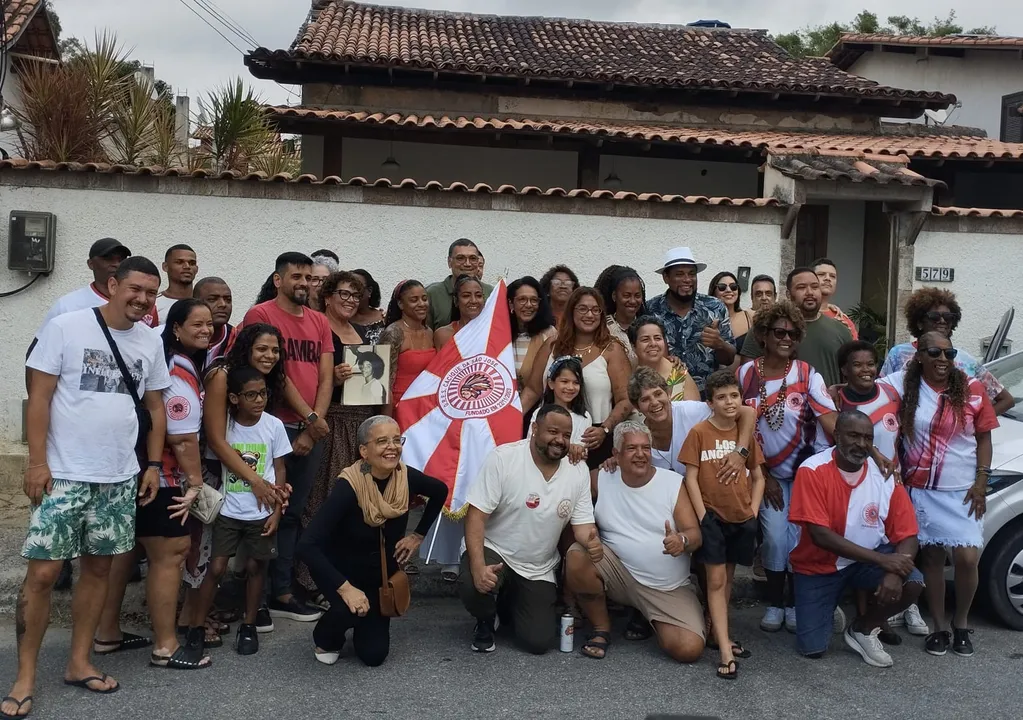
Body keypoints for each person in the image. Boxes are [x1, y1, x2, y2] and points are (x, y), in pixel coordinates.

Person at [6, 256, 171, 718]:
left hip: (119, 477)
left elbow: (156, 408)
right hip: (63, 473)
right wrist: (36, 462)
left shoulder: (148, 341)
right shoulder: (67, 325)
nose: (142, 299)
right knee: (41, 576)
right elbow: (39, 396)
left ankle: (79, 662)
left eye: (150, 293)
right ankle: (24, 677)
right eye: (135, 288)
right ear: (112, 284)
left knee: (98, 571)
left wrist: (153, 464)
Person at [97, 299, 213, 671]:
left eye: (210, 324)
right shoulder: (177, 368)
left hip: (132, 469)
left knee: (127, 552)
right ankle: (166, 645)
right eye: (197, 323)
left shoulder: (167, 359)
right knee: (171, 553)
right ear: (175, 328)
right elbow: (181, 438)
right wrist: (194, 483)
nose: (206, 330)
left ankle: (107, 632)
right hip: (161, 476)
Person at [881, 331, 999, 657]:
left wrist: (981, 482)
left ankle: (960, 622)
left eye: (949, 353)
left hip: (963, 490)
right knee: (932, 558)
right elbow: (870, 391)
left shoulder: (972, 389)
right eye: (935, 353)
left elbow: (984, 439)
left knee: (967, 557)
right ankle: (939, 628)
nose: (943, 360)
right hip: (922, 489)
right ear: (919, 355)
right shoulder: (907, 385)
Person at [296, 417, 447, 666]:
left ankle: (358, 619)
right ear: (364, 451)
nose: (392, 447)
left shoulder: (405, 478)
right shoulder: (349, 486)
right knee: (346, 610)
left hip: (378, 575)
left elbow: (440, 490)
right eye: (382, 441)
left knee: (374, 655)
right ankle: (326, 636)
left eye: (397, 440)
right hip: (339, 570)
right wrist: (346, 589)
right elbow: (307, 545)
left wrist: (417, 535)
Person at [235, 251, 333, 622]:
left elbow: (324, 377)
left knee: (292, 513)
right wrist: (310, 419)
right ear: (278, 280)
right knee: (262, 510)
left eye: (309, 278)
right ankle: (252, 599)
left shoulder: (319, 321)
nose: (304, 284)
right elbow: (275, 373)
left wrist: (314, 423)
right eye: (296, 277)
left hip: (310, 428)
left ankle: (283, 592)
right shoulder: (260, 315)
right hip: (271, 426)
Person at [459, 405, 600, 654]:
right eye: (553, 431)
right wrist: (478, 565)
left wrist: (592, 542)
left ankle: (508, 604)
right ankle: (484, 618)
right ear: (534, 429)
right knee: (476, 585)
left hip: (538, 567)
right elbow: (475, 517)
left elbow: (582, 526)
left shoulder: (578, 470)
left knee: (537, 642)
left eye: (567, 435)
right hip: (496, 550)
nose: (560, 440)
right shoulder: (504, 458)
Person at [789, 411, 925, 667]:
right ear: (837, 435)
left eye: (867, 438)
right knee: (812, 649)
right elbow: (820, 536)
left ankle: (864, 628)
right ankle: (829, 607)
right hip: (819, 566)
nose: (861, 444)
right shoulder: (812, 470)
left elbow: (908, 534)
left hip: (864, 561)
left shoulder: (885, 475)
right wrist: (884, 562)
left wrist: (895, 572)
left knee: (913, 581)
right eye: (853, 435)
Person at [736, 301, 838, 634]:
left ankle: (793, 604)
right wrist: (763, 475)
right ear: (763, 334)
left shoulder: (807, 374)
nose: (786, 338)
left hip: (807, 474)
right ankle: (775, 603)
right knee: (776, 541)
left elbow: (830, 421)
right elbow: (740, 428)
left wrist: (867, 452)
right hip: (767, 475)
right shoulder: (746, 373)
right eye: (779, 332)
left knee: (799, 539)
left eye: (793, 334)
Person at [567, 421, 705, 663]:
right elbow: (564, 490)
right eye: (631, 448)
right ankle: (601, 629)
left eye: (646, 448)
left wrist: (681, 541)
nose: (641, 454)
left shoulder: (671, 482)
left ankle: (647, 616)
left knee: (688, 649)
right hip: (619, 575)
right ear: (616, 454)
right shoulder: (601, 478)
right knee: (578, 555)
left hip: (667, 587)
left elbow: (695, 534)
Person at [193, 366, 290, 656]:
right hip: (229, 512)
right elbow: (215, 460)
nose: (259, 400)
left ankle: (249, 626)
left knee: (255, 566)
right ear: (234, 398)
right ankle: (196, 628)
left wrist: (276, 511)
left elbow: (280, 470)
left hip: (262, 514)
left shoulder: (273, 425)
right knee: (217, 567)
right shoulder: (225, 429)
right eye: (251, 395)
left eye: (263, 393)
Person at [835, 340, 928, 641]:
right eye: (857, 365)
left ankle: (879, 615)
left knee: (890, 542)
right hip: (855, 481)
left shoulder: (891, 392)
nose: (866, 370)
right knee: (864, 540)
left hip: (892, 482)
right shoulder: (838, 399)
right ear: (845, 370)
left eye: (870, 363)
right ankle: (864, 615)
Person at [297, 271, 377, 605]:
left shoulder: (361, 333)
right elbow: (307, 377)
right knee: (324, 500)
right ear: (327, 296)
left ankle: (345, 575)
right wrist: (335, 377)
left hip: (359, 423)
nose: (349, 300)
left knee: (354, 504)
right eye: (342, 294)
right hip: (330, 423)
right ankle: (312, 579)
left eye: (355, 295)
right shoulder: (317, 328)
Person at [679, 369, 766, 678]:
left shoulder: (745, 435)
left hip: (741, 518)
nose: (729, 402)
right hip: (713, 517)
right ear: (710, 402)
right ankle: (725, 650)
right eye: (721, 397)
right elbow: (690, 475)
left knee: (727, 582)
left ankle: (720, 633)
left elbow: (758, 476)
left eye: (734, 395)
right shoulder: (700, 432)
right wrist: (703, 515)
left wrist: (753, 511)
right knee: (714, 581)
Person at [524, 288, 632, 468]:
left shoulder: (612, 350)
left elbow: (626, 399)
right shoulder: (551, 345)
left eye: (595, 310)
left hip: (594, 437)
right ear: (571, 311)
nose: (589, 315)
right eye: (582, 309)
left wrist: (604, 429)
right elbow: (533, 390)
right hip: (549, 435)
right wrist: (507, 418)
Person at [880, 287, 1013, 414]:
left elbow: (1006, 400)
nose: (942, 321)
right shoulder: (898, 354)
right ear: (919, 322)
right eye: (934, 317)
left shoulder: (964, 360)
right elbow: (881, 395)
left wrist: (974, 427)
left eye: (948, 317)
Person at [627, 366, 754, 478]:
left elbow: (748, 413)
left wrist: (740, 452)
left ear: (669, 393)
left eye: (658, 394)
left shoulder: (690, 411)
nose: (654, 402)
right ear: (637, 406)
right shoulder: (639, 435)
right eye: (645, 399)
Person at [740, 267, 853, 388]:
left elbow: (850, 377)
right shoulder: (765, 328)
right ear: (788, 294)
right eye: (801, 287)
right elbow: (747, 377)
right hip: (775, 403)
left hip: (827, 405)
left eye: (815, 287)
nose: (809, 292)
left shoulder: (842, 331)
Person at [646, 247, 735, 393]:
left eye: (692, 274)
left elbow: (730, 358)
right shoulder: (650, 310)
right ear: (666, 278)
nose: (687, 279)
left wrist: (719, 344)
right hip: (664, 398)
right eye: (679, 274)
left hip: (707, 399)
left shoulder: (715, 307)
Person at [34, 237, 158, 337]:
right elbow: (38, 355)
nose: (116, 264)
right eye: (108, 259)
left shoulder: (143, 305)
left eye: (121, 259)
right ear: (90, 264)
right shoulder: (68, 305)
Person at [381, 280, 436, 417]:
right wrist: (387, 420)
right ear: (400, 304)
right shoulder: (393, 333)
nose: (422, 304)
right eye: (414, 300)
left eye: (424, 299)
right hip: (400, 408)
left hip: (426, 407)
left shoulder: (429, 332)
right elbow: (384, 382)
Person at [526, 356, 591, 462]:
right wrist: (570, 448)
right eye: (564, 381)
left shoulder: (584, 416)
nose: (570, 387)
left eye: (576, 382)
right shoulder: (539, 413)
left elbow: (580, 453)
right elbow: (531, 443)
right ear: (551, 383)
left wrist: (576, 450)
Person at [629, 316, 700, 402]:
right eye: (645, 339)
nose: (653, 343)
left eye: (657, 338)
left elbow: (694, 411)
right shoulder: (628, 372)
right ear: (633, 346)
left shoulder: (678, 372)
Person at [426, 239, 493, 329]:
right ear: (449, 262)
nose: (467, 264)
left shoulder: (491, 293)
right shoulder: (432, 294)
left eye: (473, 258)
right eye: (460, 258)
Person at [507, 276, 556, 392]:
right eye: (522, 299)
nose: (529, 305)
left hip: (537, 406)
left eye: (534, 300)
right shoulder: (499, 333)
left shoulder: (549, 334)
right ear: (511, 304)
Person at [601, 267, 646, 368]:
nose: (633, 301)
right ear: (614, 296)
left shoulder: (648, 327)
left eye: (637, 295)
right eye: (626, 295)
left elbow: (663, 363)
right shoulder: (603, 327)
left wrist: (676, 372)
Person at [434, 274, 486, 349]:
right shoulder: (443, 335)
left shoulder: (492, 333)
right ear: (456, 300)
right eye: (466, 296)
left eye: (478, 295)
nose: (474, 300)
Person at [708, 271, 754, 355]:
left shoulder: (750, 316)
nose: (729, 290)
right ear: (713, 291)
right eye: (722, 287)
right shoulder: (706, 319)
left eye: (733, 287)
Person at [812, 258, 858, 340]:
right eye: (821, 274)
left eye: (832, 276)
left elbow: (853, 350)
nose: (828, 278)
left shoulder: (843, 320)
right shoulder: (798, 314)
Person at [193, 276, 234, 366]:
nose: (223, 305)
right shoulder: (182, 336)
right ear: (195, 302)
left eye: (228, 300)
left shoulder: (237, 339)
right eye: (212, 299)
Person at [155, 244, 198, 321]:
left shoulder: (204, 302)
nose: (187, 266)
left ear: (197, 269)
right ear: (165, 267)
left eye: (192, 263)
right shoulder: (154, 304)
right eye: (179, 262)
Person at [351, 269, 386, 342]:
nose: (352, 291)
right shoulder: (341, 320)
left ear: (369, 291)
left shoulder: (384, 319)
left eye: (356, 286)